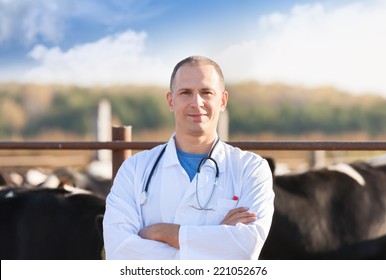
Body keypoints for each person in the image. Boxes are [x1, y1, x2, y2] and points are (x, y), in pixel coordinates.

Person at [103, 55, 275, 259]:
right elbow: (120, 252)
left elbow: (244, 248)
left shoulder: (251, 168)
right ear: (170, 101)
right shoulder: (134, 169)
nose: (197, 102)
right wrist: (216, 239)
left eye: (206, 92)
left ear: (222, 100)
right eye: (186, 92)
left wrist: (161, 232)